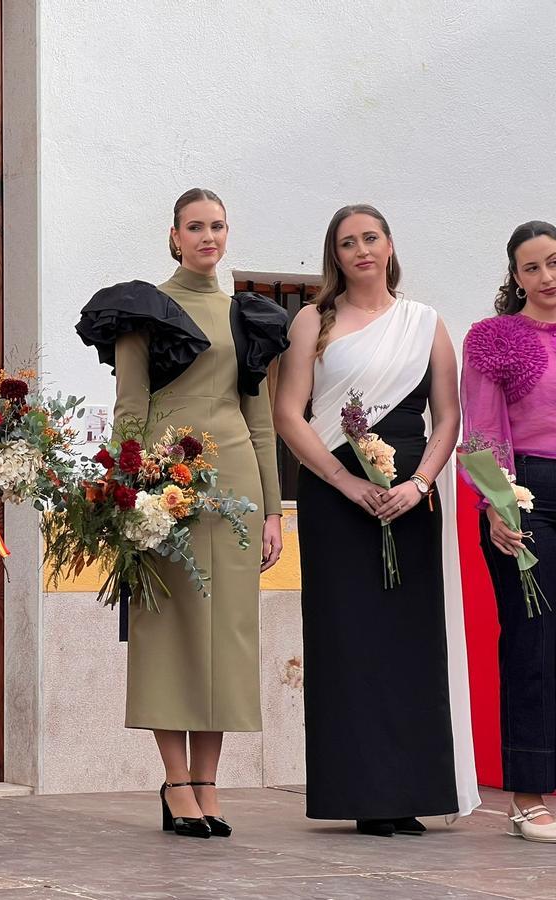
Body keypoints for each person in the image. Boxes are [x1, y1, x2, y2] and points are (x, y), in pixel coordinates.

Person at [76, 188, 286, 839]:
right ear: (174, 236)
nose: (208, 236)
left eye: (217, 225)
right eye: (195, 227)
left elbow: (260, 421)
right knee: (170, 636)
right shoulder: (145, 311)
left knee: (226, 637)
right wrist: (123, 493)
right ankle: (174, 782)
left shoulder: (246, 316)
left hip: (237, 494)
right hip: (165, 491)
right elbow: (130, 410)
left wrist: (274, 511)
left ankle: (207, 784)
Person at [274, 203, 479, 836]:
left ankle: (411, 792)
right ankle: (364, 794)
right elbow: (289, 412)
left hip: (411, 500)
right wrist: (345, 483)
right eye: (347, 242)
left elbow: (448, 416)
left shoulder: (426, 322)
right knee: (349, 644)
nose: (361, 250)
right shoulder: (314, 320)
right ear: (333, 255)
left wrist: (419, 485)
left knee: (411, 644)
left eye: (371, 238)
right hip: (337, 501)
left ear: (390, 245)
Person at [461, 220, 556, 842]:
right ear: (514, 276)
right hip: (529, 501)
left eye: (554, 262)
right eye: (533, 268)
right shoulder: (492, 338)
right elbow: (485, 429)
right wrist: (498, 506)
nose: (547, 277)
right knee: (533, 647)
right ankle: (528, 796)